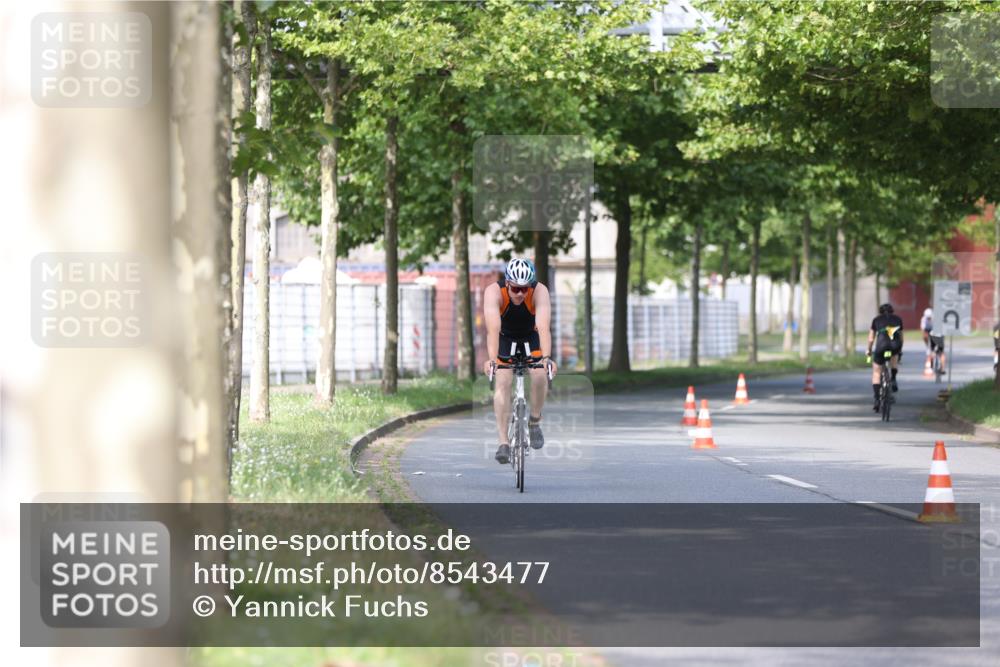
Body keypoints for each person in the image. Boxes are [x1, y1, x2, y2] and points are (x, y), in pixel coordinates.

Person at [482, 258, 557, 465]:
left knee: (540, 374)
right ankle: (503, 443)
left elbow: (543, 327)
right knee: (503, 381)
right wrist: (491, 360)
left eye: (525, 289)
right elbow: (492, 330)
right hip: (504, 338)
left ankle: (534, 421)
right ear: (507, 283)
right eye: (516, 289)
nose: (521, 294)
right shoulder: (493, 292)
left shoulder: (539, 290)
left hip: (531, 336)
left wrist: (547, 358)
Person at [866, 303, 904, 412]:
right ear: (892, 311)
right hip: (894, 346)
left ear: (880, 311)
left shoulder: (876, 320)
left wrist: (869, 350)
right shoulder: (898, 319)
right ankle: (893, 378)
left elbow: (871, 338)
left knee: (876, 373)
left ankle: (877, 399)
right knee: (894, 355)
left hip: (881, 346)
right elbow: (901, 338)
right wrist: (900, 350)